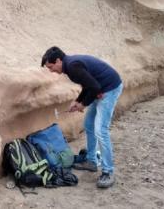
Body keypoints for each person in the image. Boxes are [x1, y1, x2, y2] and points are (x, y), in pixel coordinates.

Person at [41, 46, 123, 188]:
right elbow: (88, 84)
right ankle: (91, 161)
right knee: (89, 125)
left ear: (58, 61)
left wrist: (83, 104)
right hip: (100, 89)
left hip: (109, 88)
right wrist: (78, 101)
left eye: (51, 66)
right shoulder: (71, 66)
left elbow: (95, 87)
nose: (51, 70)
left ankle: (108, 171)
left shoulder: (72, 67)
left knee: (101, 130)